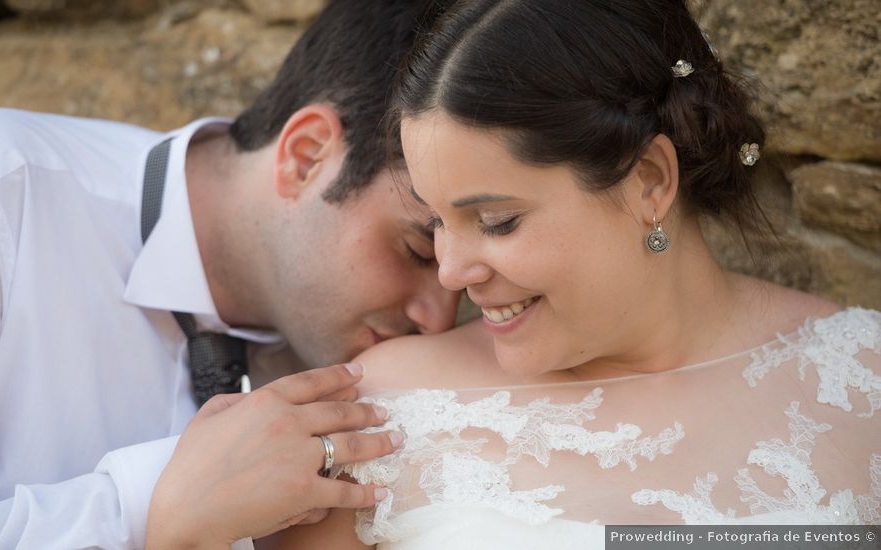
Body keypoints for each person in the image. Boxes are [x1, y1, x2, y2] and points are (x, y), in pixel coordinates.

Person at [265, 0, 881, 548]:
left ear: (650, 181)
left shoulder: (861, 376)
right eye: (435, 224)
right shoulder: (376, 417)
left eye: (498, 220)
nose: (450, 273)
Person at [0, 1, 459, 548]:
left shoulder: (357, 369)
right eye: (418, 250)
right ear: (306, 156)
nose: (439, 318)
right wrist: (150, 511)